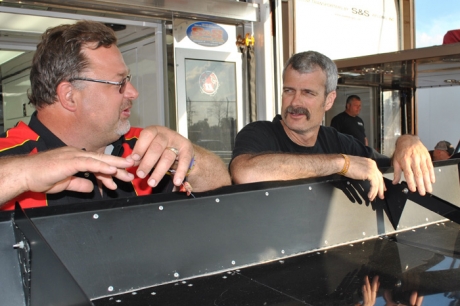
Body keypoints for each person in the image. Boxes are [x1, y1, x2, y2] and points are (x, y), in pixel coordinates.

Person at [0, 20, 231, 210]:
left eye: (127, 80)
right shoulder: (11, 156)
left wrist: (188, 160)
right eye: (119, 82)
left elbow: (221, 186)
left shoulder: (142, 148)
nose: (133, 92)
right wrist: (23, 173)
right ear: (69, 96)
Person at [230, 51, 434, 201]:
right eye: (289, 90)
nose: (294, 102)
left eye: (308, 93)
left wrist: (408, 141)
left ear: (329, 100)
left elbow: (388, 166)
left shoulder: (339, 141)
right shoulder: (259, 133)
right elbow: (245, 173)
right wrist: (341, 164)